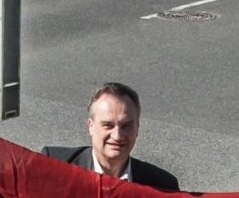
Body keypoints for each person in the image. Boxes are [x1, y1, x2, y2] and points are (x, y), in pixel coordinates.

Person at [46, 81, 179, 191]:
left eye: (126, 126)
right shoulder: (54, 166)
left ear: (137, 128)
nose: (117, 136)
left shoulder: (163, 186)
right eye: (108, 125)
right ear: (90, 126)